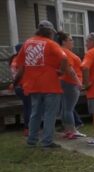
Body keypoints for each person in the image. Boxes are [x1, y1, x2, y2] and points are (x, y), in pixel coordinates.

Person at [15, 20, 68, 148]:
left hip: (33, 85)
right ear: (50, 32)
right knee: (49, 114)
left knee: (35, 113)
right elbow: (64, 57)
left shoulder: (27, 43)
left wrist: (16, 82)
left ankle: (32, 140)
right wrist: (61, 71)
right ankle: (47, 141)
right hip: (50, 85)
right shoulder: (51, 44)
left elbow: (21, 66)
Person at [55, 31, 86, 139]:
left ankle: (68, 130)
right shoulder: (66, 52)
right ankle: (72, 130)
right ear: (63, 42)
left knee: (65, 108)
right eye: (70, 39)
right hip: (70, 83)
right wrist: (78, 82)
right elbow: (70, 70)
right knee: (68, 108)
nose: (73, 41)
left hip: (64, 82)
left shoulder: (62, 51)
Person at [8, 43, 31, 136]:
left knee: (27, 106)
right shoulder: (21, 60)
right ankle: (28, 128)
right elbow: (21, 74)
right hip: (23, 86)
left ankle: (28, 127)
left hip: (18, 87)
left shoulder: (13, 59)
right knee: (29, 107)